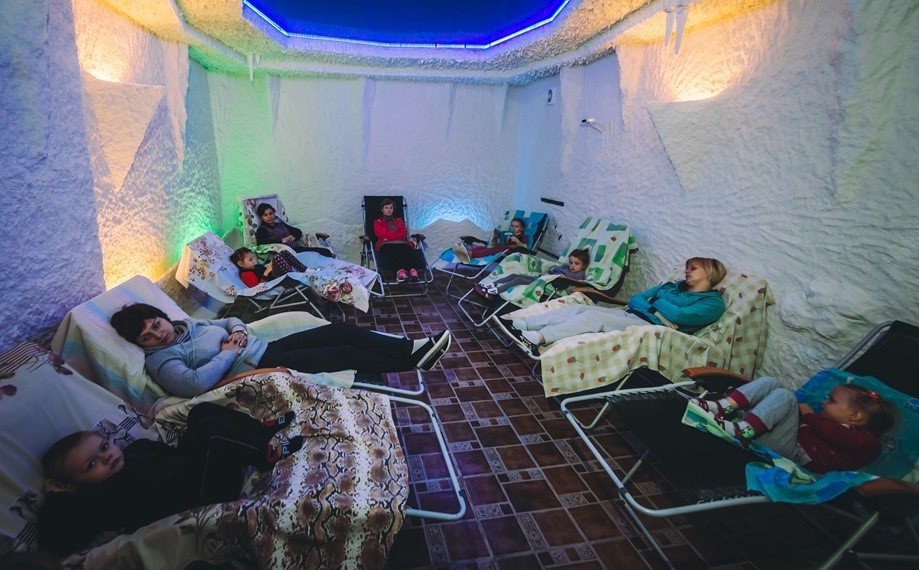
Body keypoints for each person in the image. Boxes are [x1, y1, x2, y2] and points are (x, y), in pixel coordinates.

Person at [38, 402, 302, 557]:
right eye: (91, 465)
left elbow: (177, 456)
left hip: (193, 471)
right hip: (198, 498)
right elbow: (54, 542)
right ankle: (264, 456)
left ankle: (258, 431)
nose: (106, 457)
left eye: (104, 447)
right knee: (210, 431)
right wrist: (55, 497)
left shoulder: (134, 450)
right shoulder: (98, 499)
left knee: (199, 413)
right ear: (74, 485)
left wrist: (193, 443)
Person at [110, 303, 452, 398]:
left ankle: (412, 348)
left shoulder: (187, 325)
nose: (157, 334)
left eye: (155, 324)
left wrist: (239, 331)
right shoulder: (162, 360)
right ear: (142, 345)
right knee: (344, 354)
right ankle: (413, 361)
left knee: (341, 330)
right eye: (146, 337)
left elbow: (228, 320)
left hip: (267, 347)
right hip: (263, 368)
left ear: (161, 316)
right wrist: (227, 353)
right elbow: (192, 384)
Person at [692, 378, 895, 473]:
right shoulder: (825, 422)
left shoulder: (867, 443)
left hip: (791, 456)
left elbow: (832, 433)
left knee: (786, 397)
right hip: (778, 437)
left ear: (855, 416)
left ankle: (741, 431)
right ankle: (721, 407)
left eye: (831, 400)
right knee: (772, 383)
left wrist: (808, 415)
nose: (823, 402)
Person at [511, 257, 727, 346]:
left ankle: (541, 337)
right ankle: (529, 323)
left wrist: (655, 304)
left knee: (594, 317)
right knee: (580, 307)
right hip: (633, 314)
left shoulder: (713, 303)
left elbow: (679, 316)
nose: (686, 271)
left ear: (709, 274)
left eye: (693, 269)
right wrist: (658, 308)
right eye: (687, 268)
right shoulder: (671, 286)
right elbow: (635, 299)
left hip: (652, 330)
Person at [475, 248, 590, 300]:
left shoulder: (579, 275)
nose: (572, 266)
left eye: (577, 264)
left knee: (518, 280)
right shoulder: (565, 267)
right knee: (514, 275)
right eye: (571, 262)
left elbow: (573, 284)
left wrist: (555, 277)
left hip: (548, 285)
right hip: (542, 278)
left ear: (584, 265)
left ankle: (494, 292)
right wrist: (546, 273)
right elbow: (552, 270)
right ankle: (492, 284)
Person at [372, 198, 427, 282]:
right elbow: (381, 235)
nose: (389, 210)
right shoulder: (378, 222)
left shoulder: (399, 221)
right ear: (382, 210)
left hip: (401, 243)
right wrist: (396, 237)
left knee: (404, 248)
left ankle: (406, 271)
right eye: (386, 207)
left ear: (393, 209)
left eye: (391, 208)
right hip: (385, 244)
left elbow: (404, 233)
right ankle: (403, 272)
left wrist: (389, 237)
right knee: (396, 248)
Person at [254, 203, 334, 258]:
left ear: (274, 213)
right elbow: (262, 242)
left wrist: (293, 237)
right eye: (265, 215)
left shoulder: (280, 224)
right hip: (289, 255)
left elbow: (298, 231)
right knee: (322, 253)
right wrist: (282, 240)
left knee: (325, 251)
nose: (269, 217)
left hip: (297, 248)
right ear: (261, 218)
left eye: (271, 213)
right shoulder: (262, 229)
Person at [452, 217, 528, 263]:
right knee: (480, 248)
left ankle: (469, 254)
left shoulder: (522, 236)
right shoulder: (506, 233)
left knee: (487, 251)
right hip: (499, 247)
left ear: (521, 229)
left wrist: (517, 241)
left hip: (507, 251)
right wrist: (495, 238)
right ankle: (466, 252)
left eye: (516, 226)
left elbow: (525, 248)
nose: (513, 228)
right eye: (512, 226)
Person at [230, 247, 306, 288]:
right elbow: (257, 289)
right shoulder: (246, 274)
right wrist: (266, 272)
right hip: (275, 282)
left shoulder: (252, 268)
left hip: (274, 276)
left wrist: (270, 266)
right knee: (277, 258)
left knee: (284, 252)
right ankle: (294, 278)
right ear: (240, 264)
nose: (254, 261)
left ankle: (305, 269)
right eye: (250, 260)